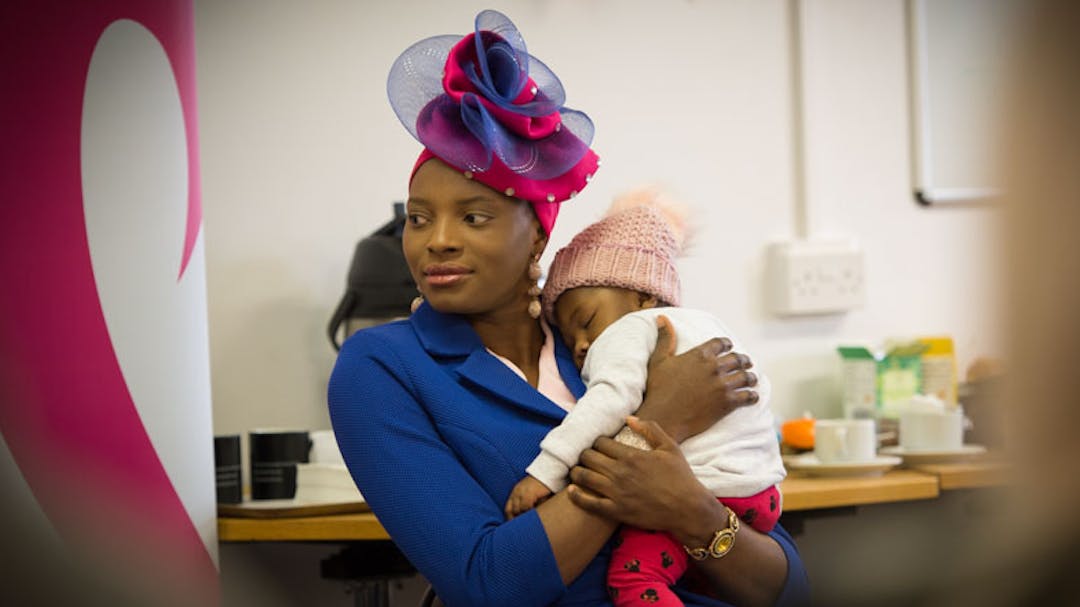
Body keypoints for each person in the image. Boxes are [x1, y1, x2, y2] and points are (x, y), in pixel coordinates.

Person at [328, 10, 809, 606]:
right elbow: (490, 583)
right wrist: (663, 422)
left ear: (536, 236)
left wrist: (692, 510)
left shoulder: (603, 337)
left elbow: (787, 586)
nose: (437, 240)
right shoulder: (384, 367)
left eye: (473, 217)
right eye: (419, 218)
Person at [504, 189, 787, 606]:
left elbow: (608, 402)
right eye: (569, 337)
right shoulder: (706, 325)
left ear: (641, 295)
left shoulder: (630, 329)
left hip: (710, 487)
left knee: (635, 579)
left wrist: (545, 472)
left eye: (585, 321)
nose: (581, 345)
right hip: (759, 496)